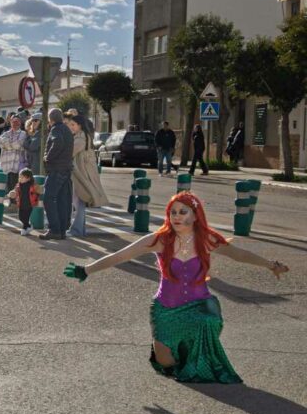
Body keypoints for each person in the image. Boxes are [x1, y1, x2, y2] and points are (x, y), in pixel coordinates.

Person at [63, 191, 289, 383]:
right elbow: (120, 255)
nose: (176, 216)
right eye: (173, 212)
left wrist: (271, 265)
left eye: (182, 212)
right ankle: (182, 353)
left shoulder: (207, 239)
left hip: (200, 305)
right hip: (166, 307)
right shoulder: (160, 239)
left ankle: (196, 354)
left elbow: (239, 254)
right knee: (166, 362)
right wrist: (87, 269)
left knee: (208, 320)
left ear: (195, 215)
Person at [65, 112, 109, 238]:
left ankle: (77, 230)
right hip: (83, 172)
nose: (71, 127)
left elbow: (70, 152)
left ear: (79, 125)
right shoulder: (82, 136)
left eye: (73, 125)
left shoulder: (81, 138)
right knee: (79, 201)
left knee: (79, 201)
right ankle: (79, 230)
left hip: (81, 173)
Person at [40, 108, 74, 240]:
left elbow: (58, 142)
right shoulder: (67, 129)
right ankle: (61, 230)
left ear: (51, 119)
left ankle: (54, 229)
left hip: (56, 169)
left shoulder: (56, 129)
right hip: (66, 169)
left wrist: (48, 157)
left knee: (48, 199)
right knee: (62, 200)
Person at [0, 115, 27, 192]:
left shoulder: (23, 133)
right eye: (13, 122)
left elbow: (18, 145)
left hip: (16, 164)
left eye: (17, 122)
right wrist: (10, 145)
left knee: (15, 185)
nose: (15, 123)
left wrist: (6, 145)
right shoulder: (6, 133)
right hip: (6, 164)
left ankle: (14, 202)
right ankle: (10, 201)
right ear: (10, 123)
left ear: (20, 123)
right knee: (7, 186)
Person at [8, 168, 39, 236]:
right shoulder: (18, 185)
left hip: (29, 205)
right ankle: (29, 226)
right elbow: (15, 191)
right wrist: (11, 193)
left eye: (22, 177)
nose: (20, 178)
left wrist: (38, 193)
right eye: (19, 177)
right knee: (21, 217)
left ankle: (24, 228)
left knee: (26, 217)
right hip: (21, 204)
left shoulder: (32, 186)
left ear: (28, 178)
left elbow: (37, 192)